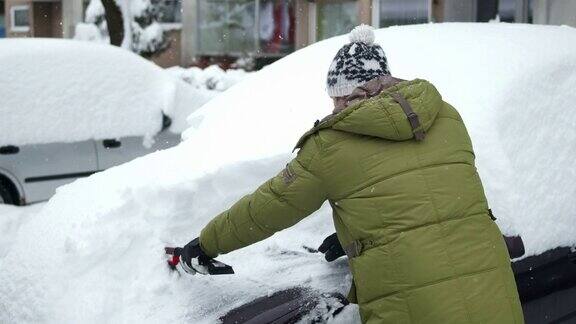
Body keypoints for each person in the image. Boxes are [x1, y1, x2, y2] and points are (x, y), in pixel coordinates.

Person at [180, 25, 524, 323]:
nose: (334, 108)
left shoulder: (332, 145)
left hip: (417, 309)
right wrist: (357, 232)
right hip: (493, 295)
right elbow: (431, 196)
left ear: (347, 95)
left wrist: (207, 243)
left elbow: (271, 206)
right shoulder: (445, 117)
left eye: (335, 98)